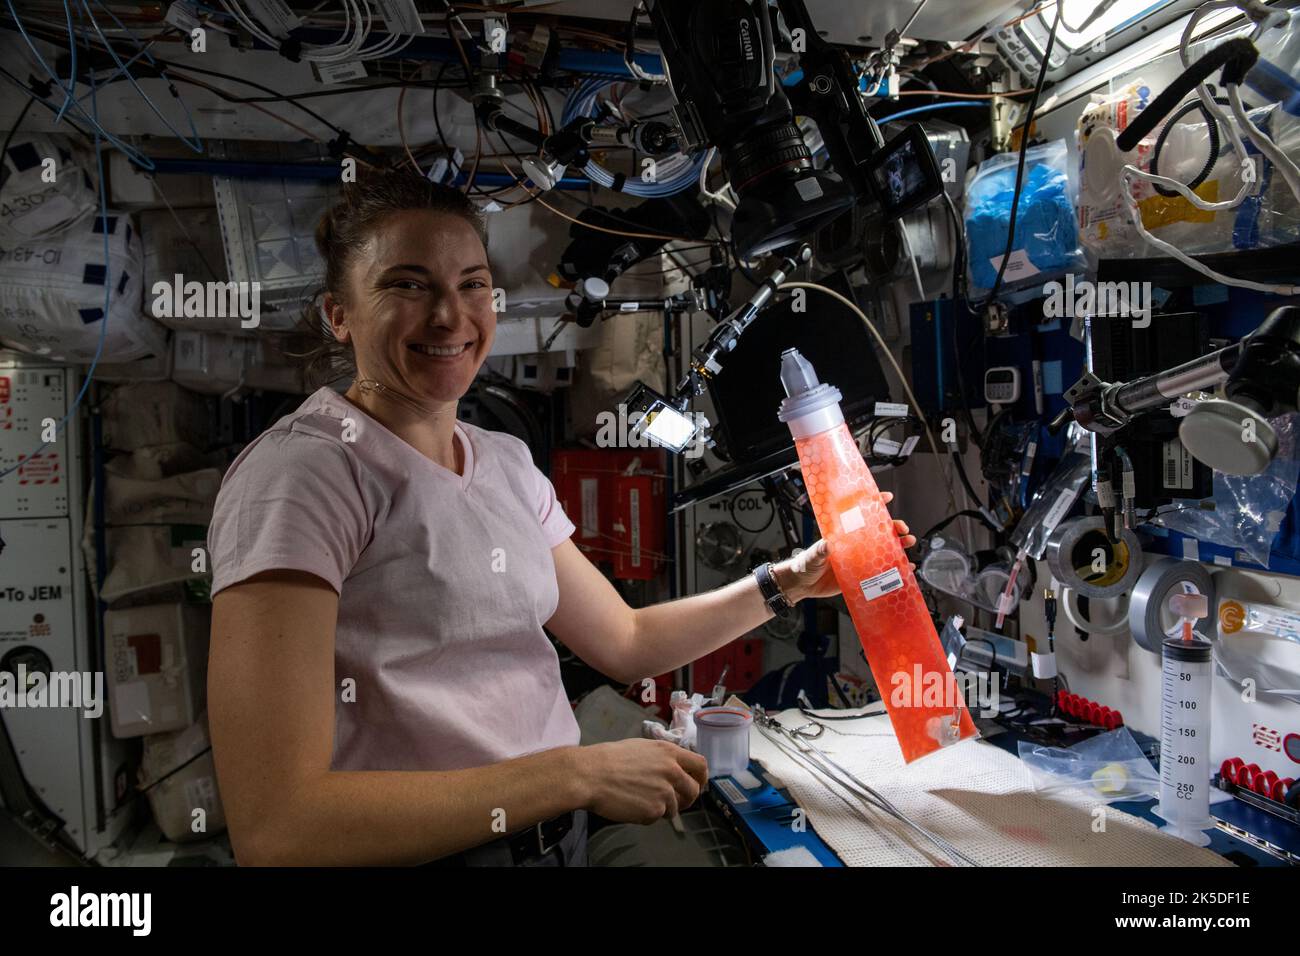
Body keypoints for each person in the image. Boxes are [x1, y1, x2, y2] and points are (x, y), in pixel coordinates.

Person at [207, 167, 914, 866]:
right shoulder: (304, 476)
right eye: (407, 284)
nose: (449, 314)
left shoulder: (503, 461)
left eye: (471, 284)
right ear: (339, 315)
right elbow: (280, 826)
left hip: (552, 842)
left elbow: (627, 639)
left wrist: (788, 580)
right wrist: (577, 773)